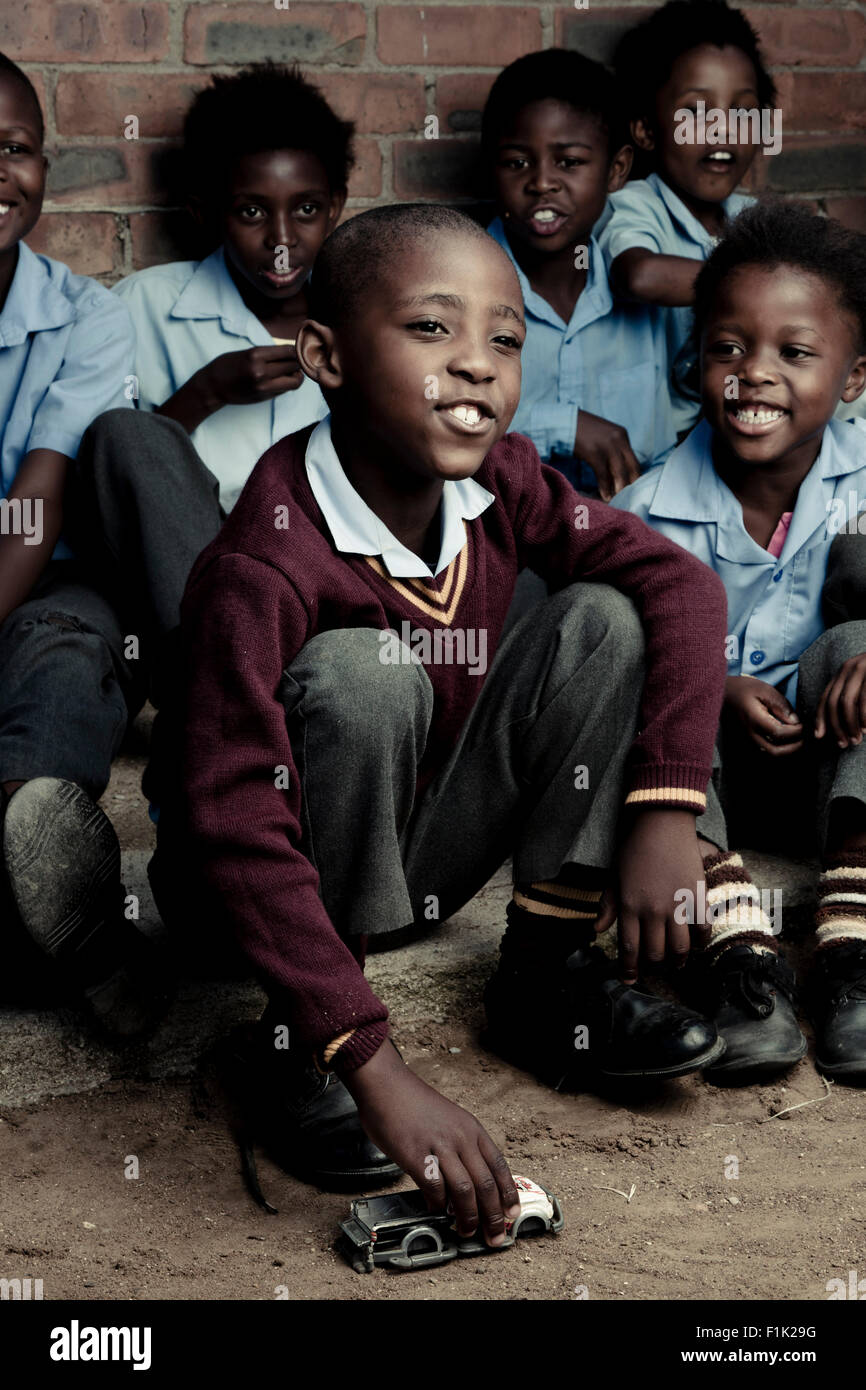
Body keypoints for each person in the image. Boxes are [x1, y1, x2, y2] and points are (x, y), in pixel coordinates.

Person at [160, 204, 733, 1230]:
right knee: (366, 672)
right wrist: (374, 1064)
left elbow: (681, 586)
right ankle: (303, 1052)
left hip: (411, 847)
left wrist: (662, 811)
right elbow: (230, 822)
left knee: (603, 619)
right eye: (431, 328)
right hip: (250, 897)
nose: (476, 365)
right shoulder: (268, 552)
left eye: (503, 340)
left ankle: (543, 974)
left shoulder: (502, 481)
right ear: (326, 356)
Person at [612, 201, 866, 1085]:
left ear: (854, 377)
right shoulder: (642, 514)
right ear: (697, 364)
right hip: (690, 794)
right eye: (728, 349)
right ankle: (741, 955)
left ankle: (851, 948)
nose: (754, 374)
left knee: (859, 639)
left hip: (832, 777)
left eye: (794, 354)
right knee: (646, 655)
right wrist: (711, 686)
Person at [74, 63, 350, 665]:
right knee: (125, 431)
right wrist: (205, 393)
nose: (281, 240)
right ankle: (218, 674)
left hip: (328, 584)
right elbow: (104, 479)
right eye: (252, 213)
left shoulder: (366, 322)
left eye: (305, 210)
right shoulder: (144, 306)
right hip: (191, 592)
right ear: (205, 213)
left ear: (336, 207)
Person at [0, 53, 151, 1034]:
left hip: (43, 582)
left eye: (14, 149)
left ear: (45, 167)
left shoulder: (86, 318)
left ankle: (34, 842)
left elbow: (36, 502)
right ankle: (56, 939)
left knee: (62, 657)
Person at [481, 49, 677, 500]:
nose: (542, 183)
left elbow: (663, 448)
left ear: (617, 169)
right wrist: (565, 426)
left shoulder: (642, 290)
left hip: (625, 538)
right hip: (500, 542)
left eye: (569, 162)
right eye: (516, 162)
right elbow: (431, 418)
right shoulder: (456, 285)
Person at [599, 0, 775, 439]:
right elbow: (638, 275)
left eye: (741, 113)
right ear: (645, 129)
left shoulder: (750, 216)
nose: (722, 129)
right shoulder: (636, 204)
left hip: (745, 428)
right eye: (696, 112)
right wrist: (758, 285)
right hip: (663, 447)